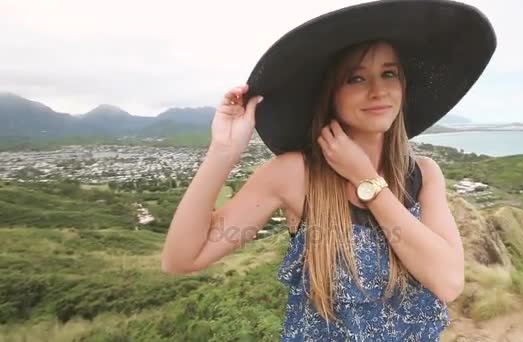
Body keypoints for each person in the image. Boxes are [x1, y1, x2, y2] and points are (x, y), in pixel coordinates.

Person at [161, 0, 496, 340]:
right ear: (330, 94)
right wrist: (223, 151)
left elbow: (448, 282)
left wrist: (366, 179)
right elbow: (182, 258)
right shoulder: (295, 174)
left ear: (403, 86)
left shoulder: (424, 175)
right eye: (356, 78)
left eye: (389, 73)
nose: (378, 90)